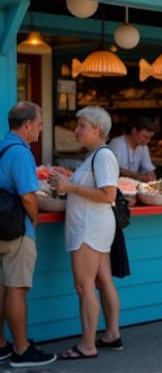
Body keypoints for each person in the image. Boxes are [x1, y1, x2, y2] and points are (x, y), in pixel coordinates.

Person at [48, 106, 123, 360]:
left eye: (81, 126)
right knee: (102, 281)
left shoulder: (102, 156)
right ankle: (112, 334)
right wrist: (68, 180)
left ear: (97, 129)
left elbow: (107, 195)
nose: (76, 130)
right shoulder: (97, 155)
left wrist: (69, 186)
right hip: (93, 227)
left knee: (84, 286)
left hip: (89, 229)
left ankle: (88, 344)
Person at [0, 101, 57, 367]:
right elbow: (27, 196)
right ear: (27, 124)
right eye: (40, 123)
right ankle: (21, 350)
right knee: (17, 289)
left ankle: (1, 345)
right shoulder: (22, 153)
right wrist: (33, 220)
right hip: (15, 229)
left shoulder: (2, 147)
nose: (40, 128)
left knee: (1, 288)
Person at [108, 116, 157, 182]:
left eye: (150, 138)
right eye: (145, 137)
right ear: (134, 131)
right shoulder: (117, 143)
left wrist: (151, 175)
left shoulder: (143, 146)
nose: (148, 141)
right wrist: (138, 176)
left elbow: (147, 167)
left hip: (133, 186)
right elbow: (114, 168)